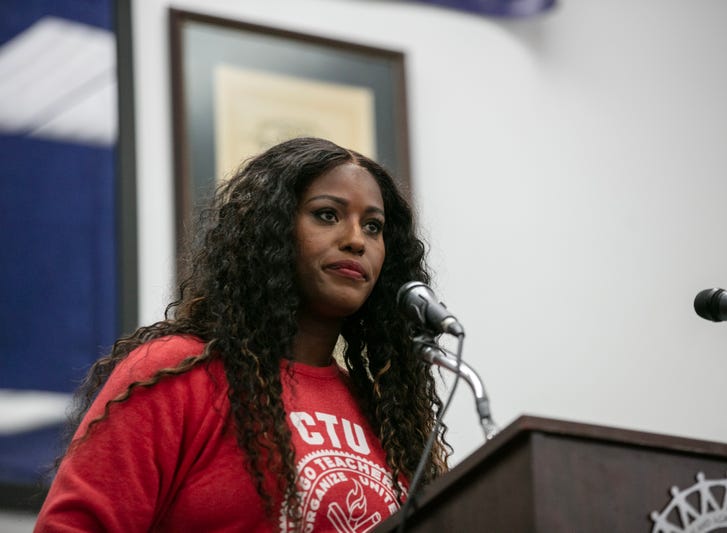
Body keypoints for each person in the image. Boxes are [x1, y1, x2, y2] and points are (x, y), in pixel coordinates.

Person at [35, 137, 450, 532]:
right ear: (270, 231)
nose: (356, 240)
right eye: (327, 215)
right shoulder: (178, 372)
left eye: (374, 227)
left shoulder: (386, 415)